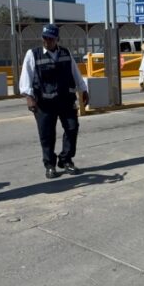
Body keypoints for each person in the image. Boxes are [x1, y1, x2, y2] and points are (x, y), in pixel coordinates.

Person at [20, 24, 88, 179]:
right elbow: (26, 77)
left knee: (72, 128)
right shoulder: (33, 54)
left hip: (65, 99)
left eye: (51, 38)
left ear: (57, 39)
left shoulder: (65, 52)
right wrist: (29, 97)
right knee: (47, 135)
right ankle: (50, 164)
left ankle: (66, 159)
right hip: (44, 103)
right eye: (45, 38)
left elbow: (74, 72)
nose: (47, 41)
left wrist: (83, 89)